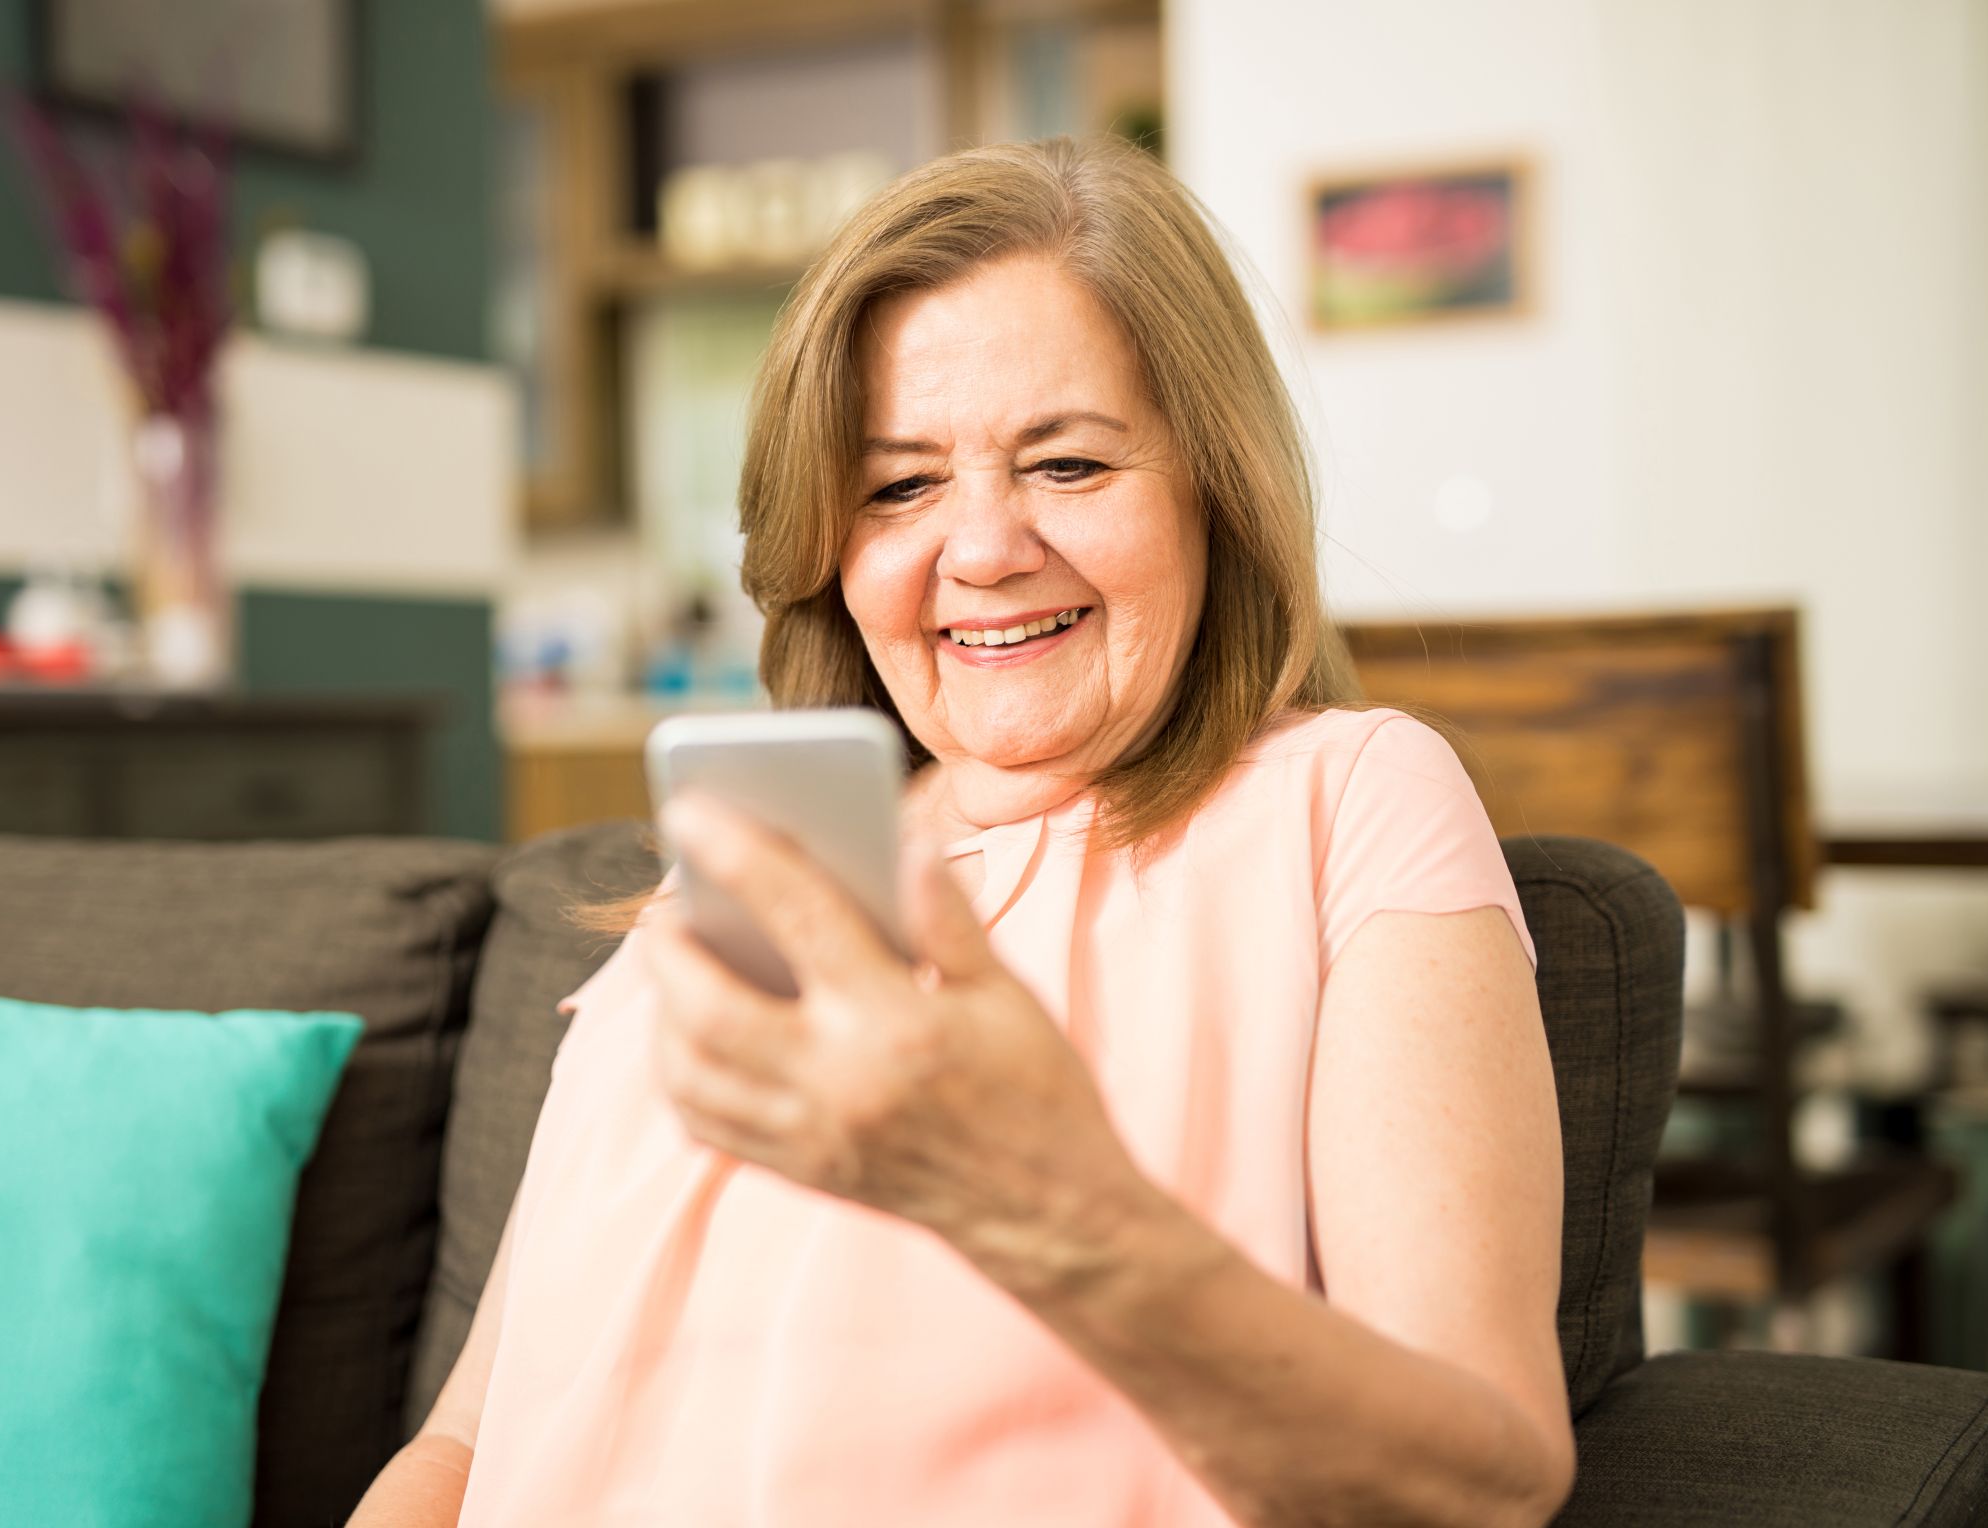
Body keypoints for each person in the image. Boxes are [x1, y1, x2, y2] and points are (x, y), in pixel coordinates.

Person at [349, 135, 1574, 1527]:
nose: (983, 550)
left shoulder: (1348, 804)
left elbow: (1483, 1480)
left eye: (1068, 463)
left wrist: (1046, 1211)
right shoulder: (737, 883)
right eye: (899, 485)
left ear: (1214, 489)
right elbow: (461, 1448)